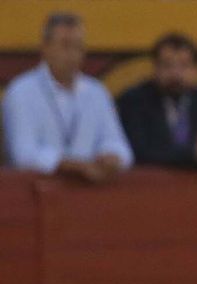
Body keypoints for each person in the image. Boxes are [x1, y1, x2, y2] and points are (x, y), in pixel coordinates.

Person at [2, 11, 131, 182]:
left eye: (78, 46)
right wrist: (74, 166)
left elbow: (121, 147)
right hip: (37, 197)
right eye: (65, 45)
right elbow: (24, 154)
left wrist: (111, 157)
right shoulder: (21, 92)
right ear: (45, 48)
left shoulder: (96, 92)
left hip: (89, 195)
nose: (72, 54)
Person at [115, 32, 197, 168]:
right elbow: (138, 152)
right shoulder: (134, 100)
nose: (176, 74)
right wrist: (191, 155)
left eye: (184, 66)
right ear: (155, 68)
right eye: (167, 65)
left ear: (195, 70)